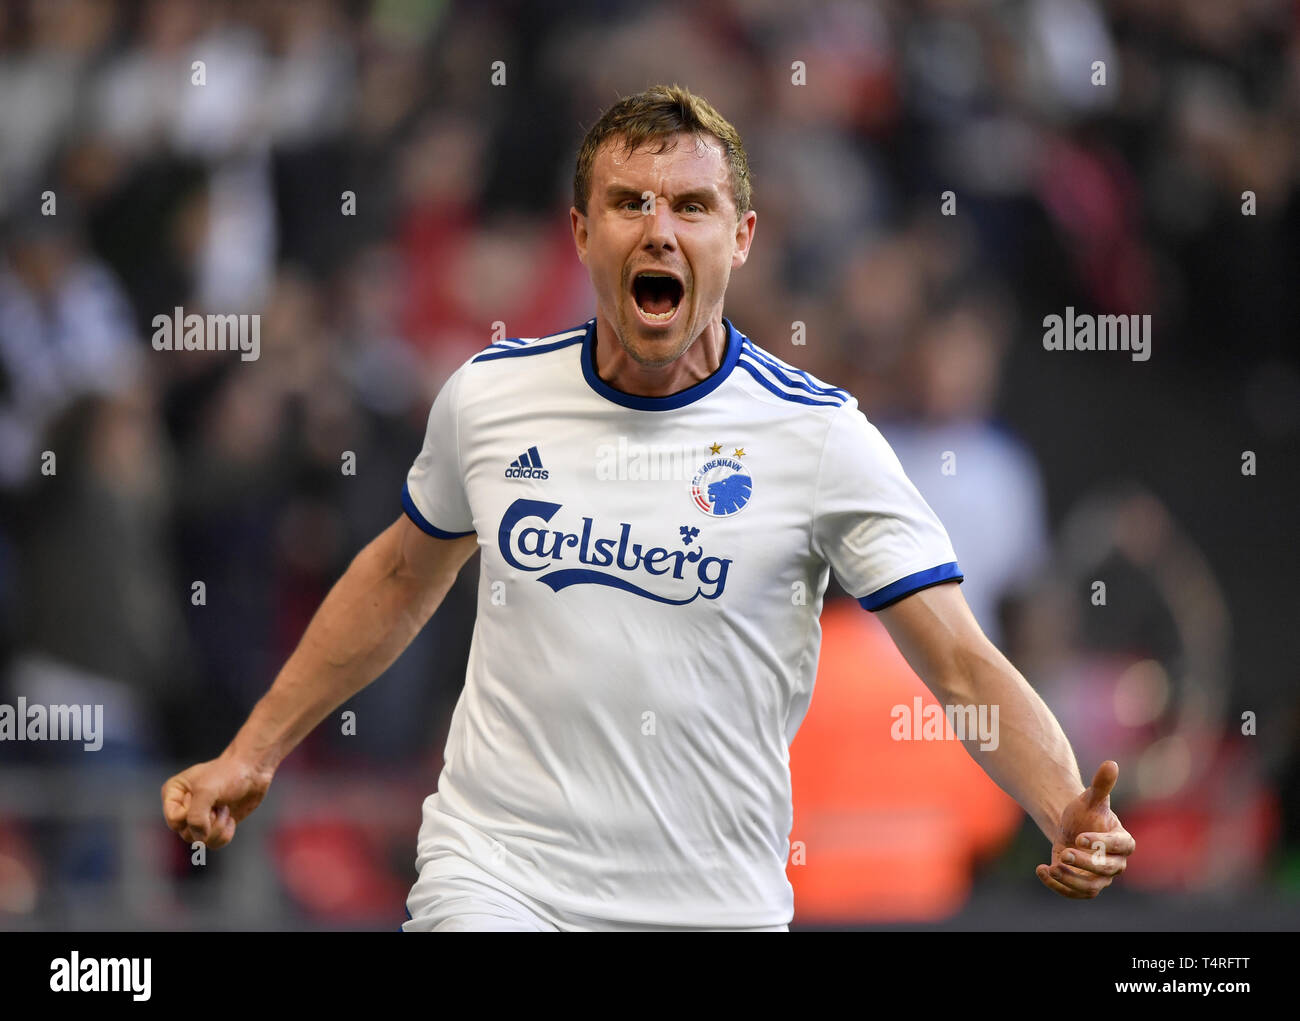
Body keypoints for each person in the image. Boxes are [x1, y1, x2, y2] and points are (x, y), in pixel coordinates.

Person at [162, 84, 1134, 931]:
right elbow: (394, 577)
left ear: (740, 237)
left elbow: (960, 659)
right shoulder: (491, 398)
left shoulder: (820, 439)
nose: (658, 228)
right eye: (627, 202)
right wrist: (254, 750)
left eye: (692, 206)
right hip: (499, 879)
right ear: (582, 233)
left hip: (710, 901)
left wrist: (1062, 805)